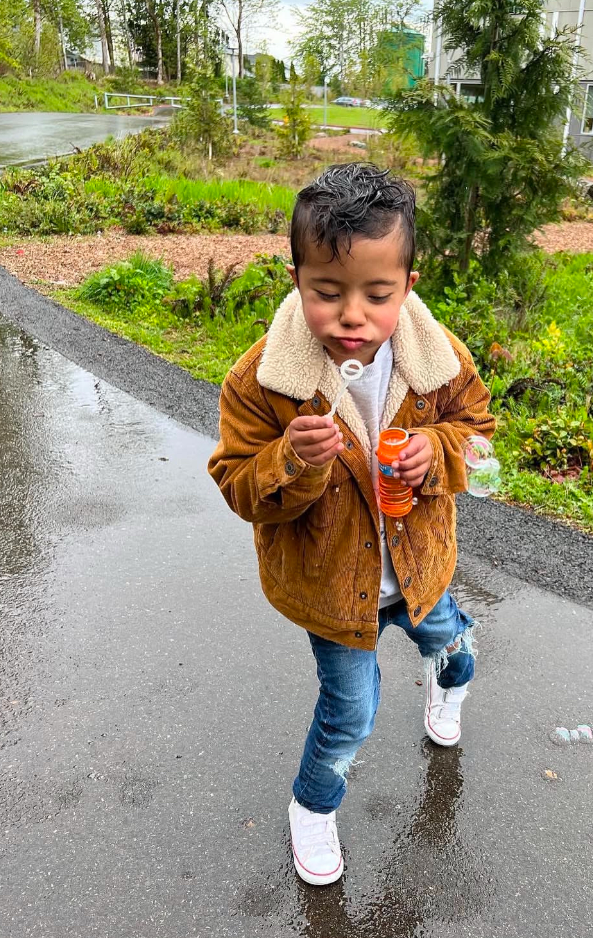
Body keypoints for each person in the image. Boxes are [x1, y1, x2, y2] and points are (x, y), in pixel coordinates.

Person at [207, 162, 496, 886]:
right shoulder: (263, 381)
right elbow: (238, 485)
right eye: (327, 292)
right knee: (350, 713)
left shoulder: (436, 360)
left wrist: (439, 449)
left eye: (377, 294)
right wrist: (290, 461)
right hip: (334, 590)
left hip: (420, 569)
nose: (351, 317)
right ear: (297, 279)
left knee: (454, 648)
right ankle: (313, 805)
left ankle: (448, 685)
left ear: (409, 284)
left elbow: (479, 430)